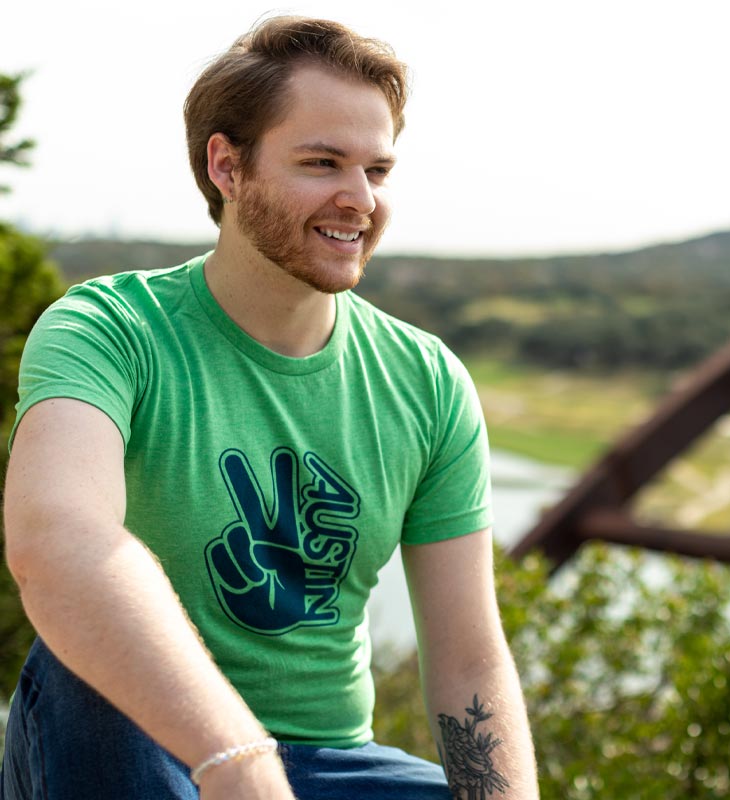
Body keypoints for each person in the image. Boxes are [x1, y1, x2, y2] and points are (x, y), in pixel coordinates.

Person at [1, 15, 539, 800]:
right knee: (83, 651)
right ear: (227, 164)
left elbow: (468, 658)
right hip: (133, 733)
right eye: (322, 163)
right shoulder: (109, 329)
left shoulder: (427, 381)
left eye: (378, 170)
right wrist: (237, 762)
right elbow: (58, 544)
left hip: (330, 764)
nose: (359, 200)